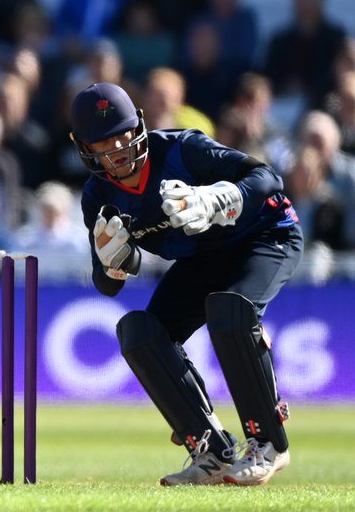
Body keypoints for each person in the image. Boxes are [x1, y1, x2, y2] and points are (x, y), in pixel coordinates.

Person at [69, 82, 299, 486]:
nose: (119, 151)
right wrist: (112, 263)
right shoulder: (98, 197)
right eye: (104, 144)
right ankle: (211, 451)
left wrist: (217, 198)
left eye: (123, 135)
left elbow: (267, 178)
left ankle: (268, 443)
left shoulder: (181, 149)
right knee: (139, 333)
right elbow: (107, 287)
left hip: (266, 234)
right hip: (204, 256)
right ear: (85, 148)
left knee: (230, 311)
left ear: (138, 126)